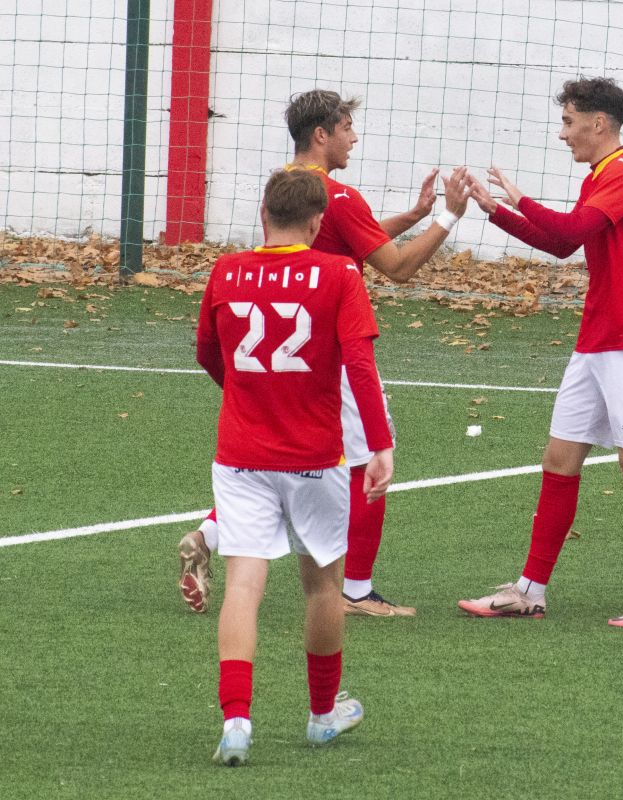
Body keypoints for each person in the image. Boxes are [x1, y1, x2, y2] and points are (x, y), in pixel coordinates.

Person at [179, 89, 469, 618]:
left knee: (272, 465)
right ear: (321, 134)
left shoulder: (282, 189)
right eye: (346, 128)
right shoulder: (339, 196)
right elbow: (398, 267)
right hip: (327, 353)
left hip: (276, 359)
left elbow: (345, 240)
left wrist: (412, 215)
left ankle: (210, 533)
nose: (353, 138)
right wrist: (447, 218)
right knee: (365, 465)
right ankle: (356, 590)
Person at [456, 77, 623, 628]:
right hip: (597, 343)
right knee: (559, 460)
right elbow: (564, 244)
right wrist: (495, 211)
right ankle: (530, 591)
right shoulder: (601, 176)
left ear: (598, 123)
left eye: (568, 122)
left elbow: (575, 226)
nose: (563, 134)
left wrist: (519, 198)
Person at [197, 168, 394, 765]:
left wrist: (246, 398)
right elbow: (359, 362)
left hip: (240, 455)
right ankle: (321, 716)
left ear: (264, 215)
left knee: (243, 584)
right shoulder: (339, 274)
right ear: (316, 223)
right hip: (315, 457)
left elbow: (208, 353)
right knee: (323, 586)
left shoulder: (225, 271)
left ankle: (236, 722)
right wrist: (380, 444)